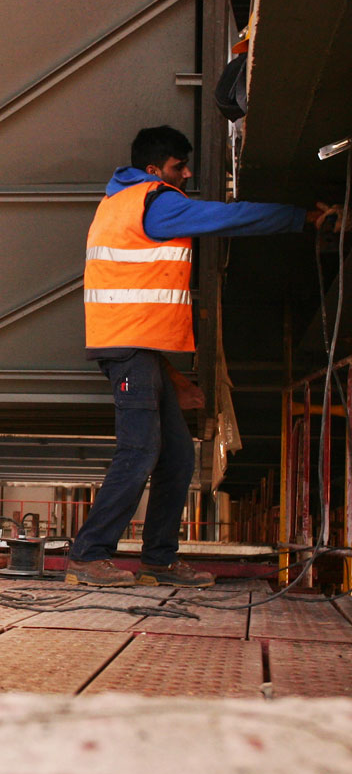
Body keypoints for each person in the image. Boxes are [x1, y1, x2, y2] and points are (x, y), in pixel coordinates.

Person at [67, 125, 346, 587]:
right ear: (155, 169)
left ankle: (158, 560)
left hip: (141, 350)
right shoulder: (154, 202)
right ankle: (87, 555)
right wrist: (302, 219)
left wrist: (176, 381)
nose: (188, 173)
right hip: (129, 351)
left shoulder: (122, 203)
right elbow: (229, 218)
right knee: (139, 453)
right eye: (180, 167)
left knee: (175, 460)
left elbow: (140, 308)